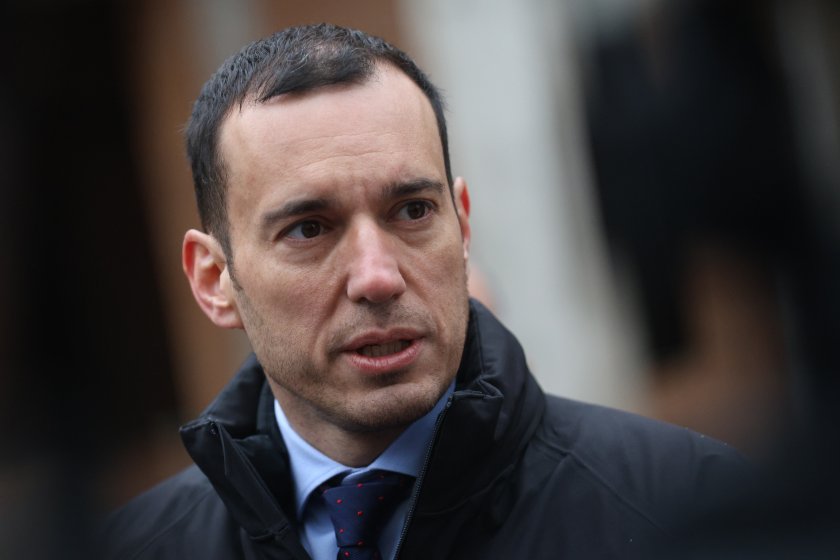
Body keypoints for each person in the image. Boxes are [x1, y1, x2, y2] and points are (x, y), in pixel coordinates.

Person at [102, 23, 744, 560]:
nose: (378, 276)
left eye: (412, 211)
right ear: (214, 280)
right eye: (309, 229)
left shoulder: (691, 508)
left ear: (462, 226)